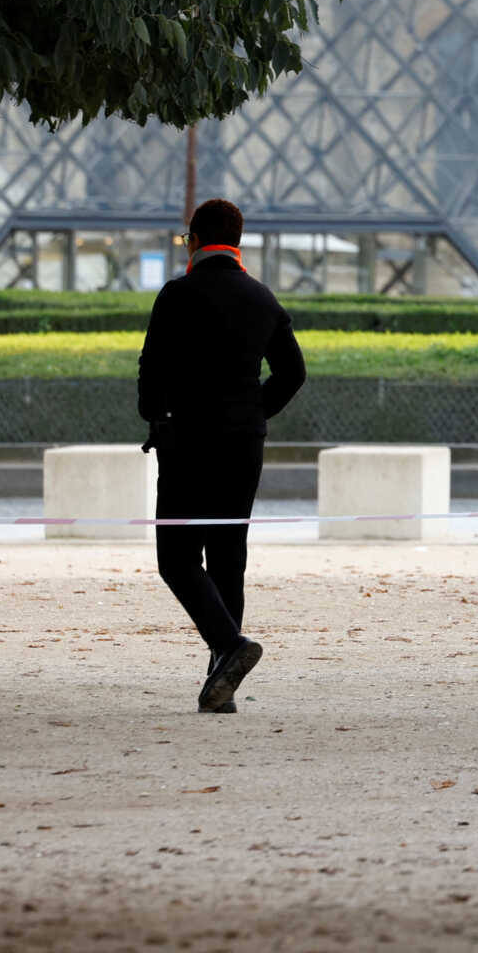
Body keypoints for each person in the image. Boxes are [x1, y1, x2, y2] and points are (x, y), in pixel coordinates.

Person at [136, 199, 306, 714]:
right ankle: (221, 685)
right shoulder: (262, 298)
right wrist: (255, 412)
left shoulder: (177, 294)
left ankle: (229, 647)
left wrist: (157, 416)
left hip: (187, 442)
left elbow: (152, 368)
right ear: (239, 240)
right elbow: (292, 373)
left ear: (192, 240)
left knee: (177, 557)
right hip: (243, 444)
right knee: (228, 555)